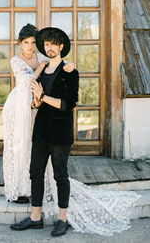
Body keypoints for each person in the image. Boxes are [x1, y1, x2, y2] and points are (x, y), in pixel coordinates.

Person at [10, 27, 141, 237]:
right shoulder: (41, 71)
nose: (49, 47)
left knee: (61, 175)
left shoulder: (71, 71)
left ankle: (62, 219)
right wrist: (36, 101)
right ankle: (35, 218)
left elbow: (67, 103)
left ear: (61, 47)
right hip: (41, 130)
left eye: (54, 44)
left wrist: (42, 97)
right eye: (47, 44)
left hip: (60, 133)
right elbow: (36, 103)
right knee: (35, 173)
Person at [2, 24, 74, 203]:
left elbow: (58, 64)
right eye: (26, 42)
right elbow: (28, 81)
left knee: (36, 148)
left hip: (38, 105)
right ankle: (19, 189)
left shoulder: (41, 56)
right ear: (20, 43)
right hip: (18, 107)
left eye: (33, 42)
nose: (30, 46)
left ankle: (42, 187)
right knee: (20, 147)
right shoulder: (15, 61)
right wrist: (42, 66)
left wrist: (70, 65)